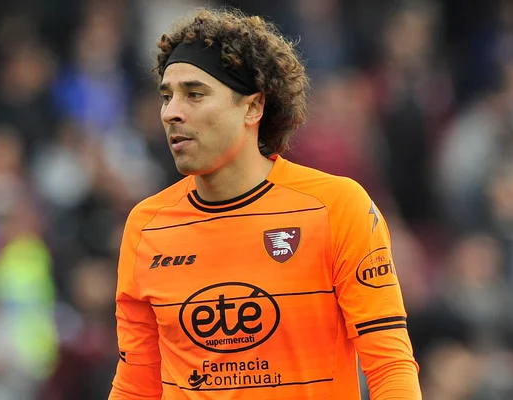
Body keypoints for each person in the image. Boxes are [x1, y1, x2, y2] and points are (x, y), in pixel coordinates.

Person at [110, 7, 422, 400]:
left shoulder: (337, 207)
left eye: (195, 94)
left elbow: (390, 367)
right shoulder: (146, 225)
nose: (172, 112)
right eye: (167, 96)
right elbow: (135, 387)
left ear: (254, 107)